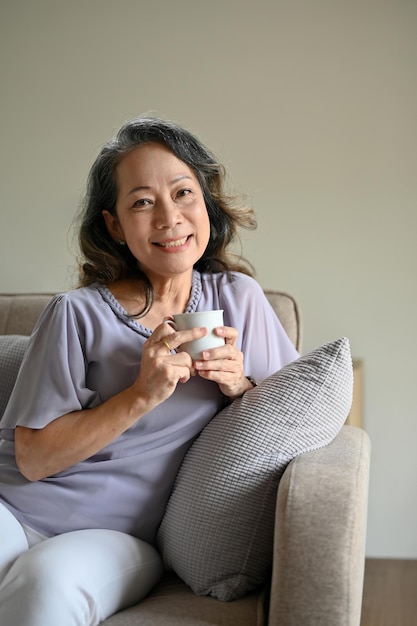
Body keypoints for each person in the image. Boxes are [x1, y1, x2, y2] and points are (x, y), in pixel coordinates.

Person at [0, 117, 299, 625]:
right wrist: (141, 394)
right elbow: (31, 459)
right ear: (114, 225)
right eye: (141, 202)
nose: (168, 217)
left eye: (183, 193)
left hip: (115, 536)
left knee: (45, 588)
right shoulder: (76, 313)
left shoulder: (239, 301)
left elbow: (293, 416)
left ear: (205, 202)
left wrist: (239, 386)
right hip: (13, 505)